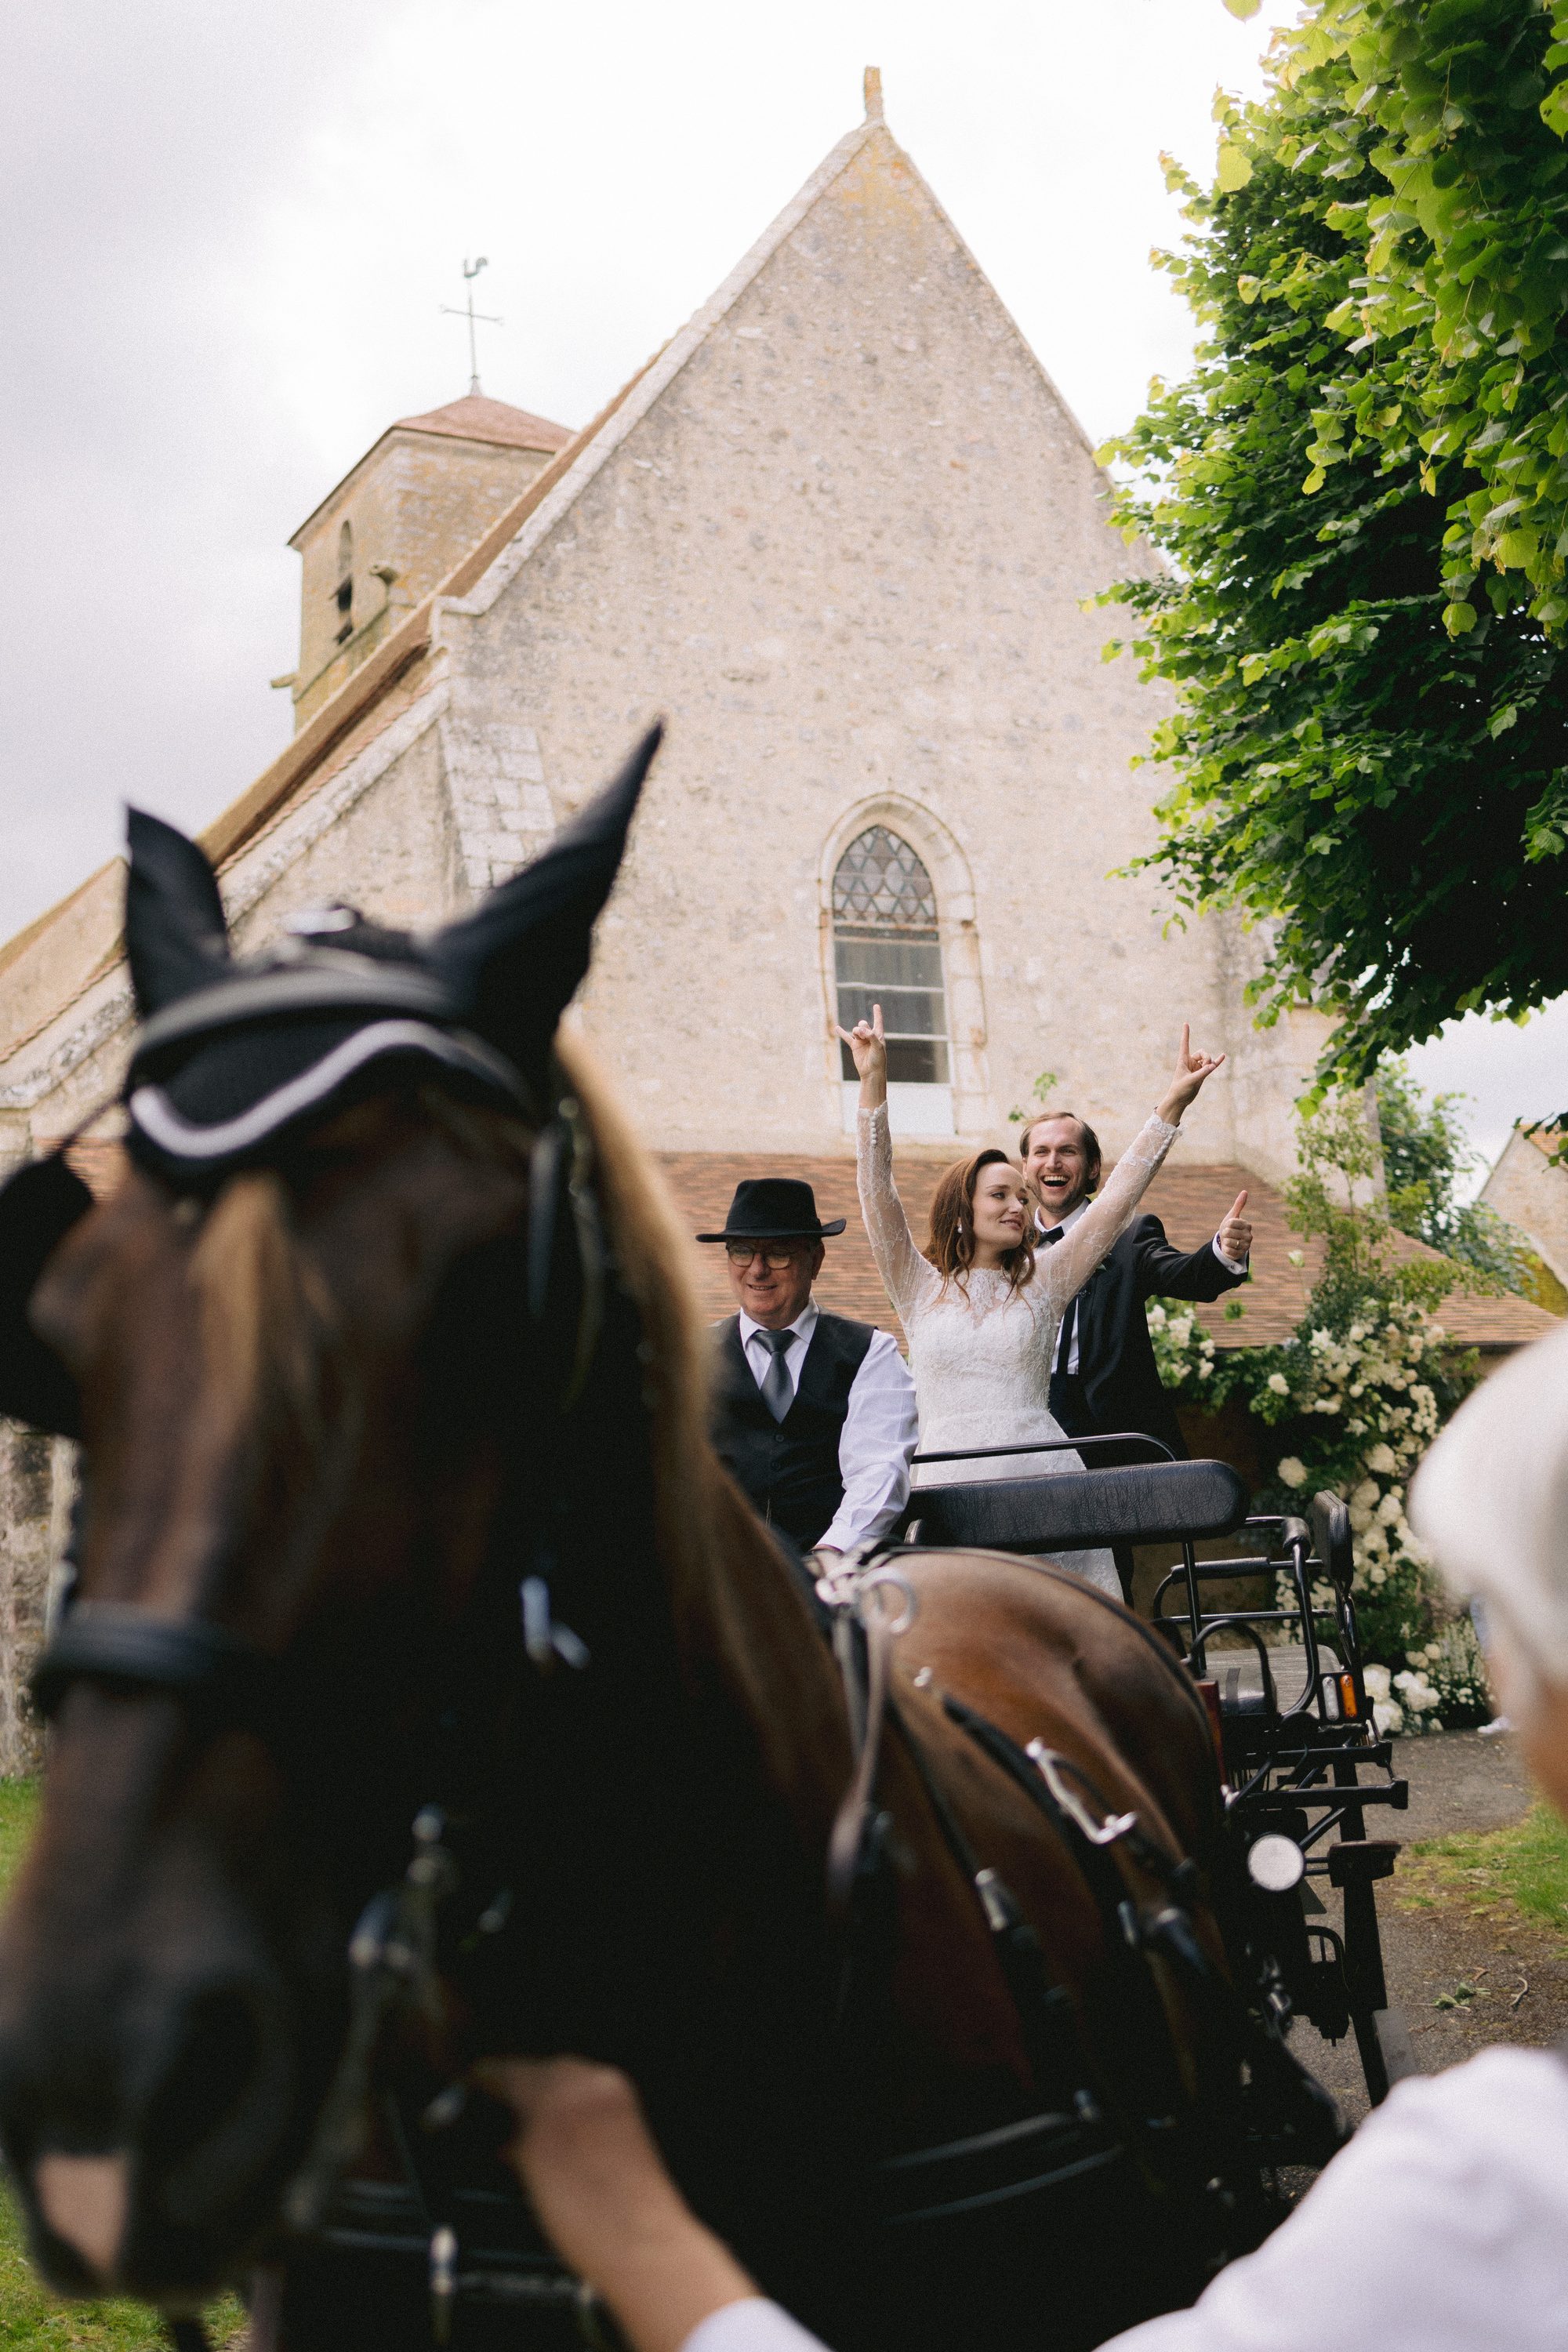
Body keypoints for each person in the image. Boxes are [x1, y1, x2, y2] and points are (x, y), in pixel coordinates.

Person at [478, 1308, 1568, 2352]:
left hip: (889, 1537)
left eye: (1493, 1622)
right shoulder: (728, 1353)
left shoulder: (1493, 2186)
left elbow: (872, 1467)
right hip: (803, 1587)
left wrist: (635, 2237)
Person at [835, 1007, 1227, 1599]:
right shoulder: (916, 1286)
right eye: (1001, 1194)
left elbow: (1118, 1200)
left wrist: (1172, 1105)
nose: (1019, 1206)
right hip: (946, 1493)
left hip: (1044, 1491)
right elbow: (876, 1189)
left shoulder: (1044, 1283)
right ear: (961, 1207)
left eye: (1022, 1197)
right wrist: (873, 1083)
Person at [700, 1176, 916, 1556]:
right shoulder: (693, 1354)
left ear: (815, 1259)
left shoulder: (871, 1352)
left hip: (837, 1572)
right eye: (741, 1251)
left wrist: (830, 1554)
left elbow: (879, 1472)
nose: (757, 1270)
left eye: (778, 1253)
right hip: (719, 1573)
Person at [1020, 1110, 1252, 1463]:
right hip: (1026, 1431)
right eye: (1041, 1151)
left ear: (1093, 1167)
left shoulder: (1129, 1237)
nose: (1053, 1162)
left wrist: (1224, 1250)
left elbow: (1188, 1275)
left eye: (1067, 1151)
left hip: (1117, 1437)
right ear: (1025, 1166)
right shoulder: (1006, 1245)